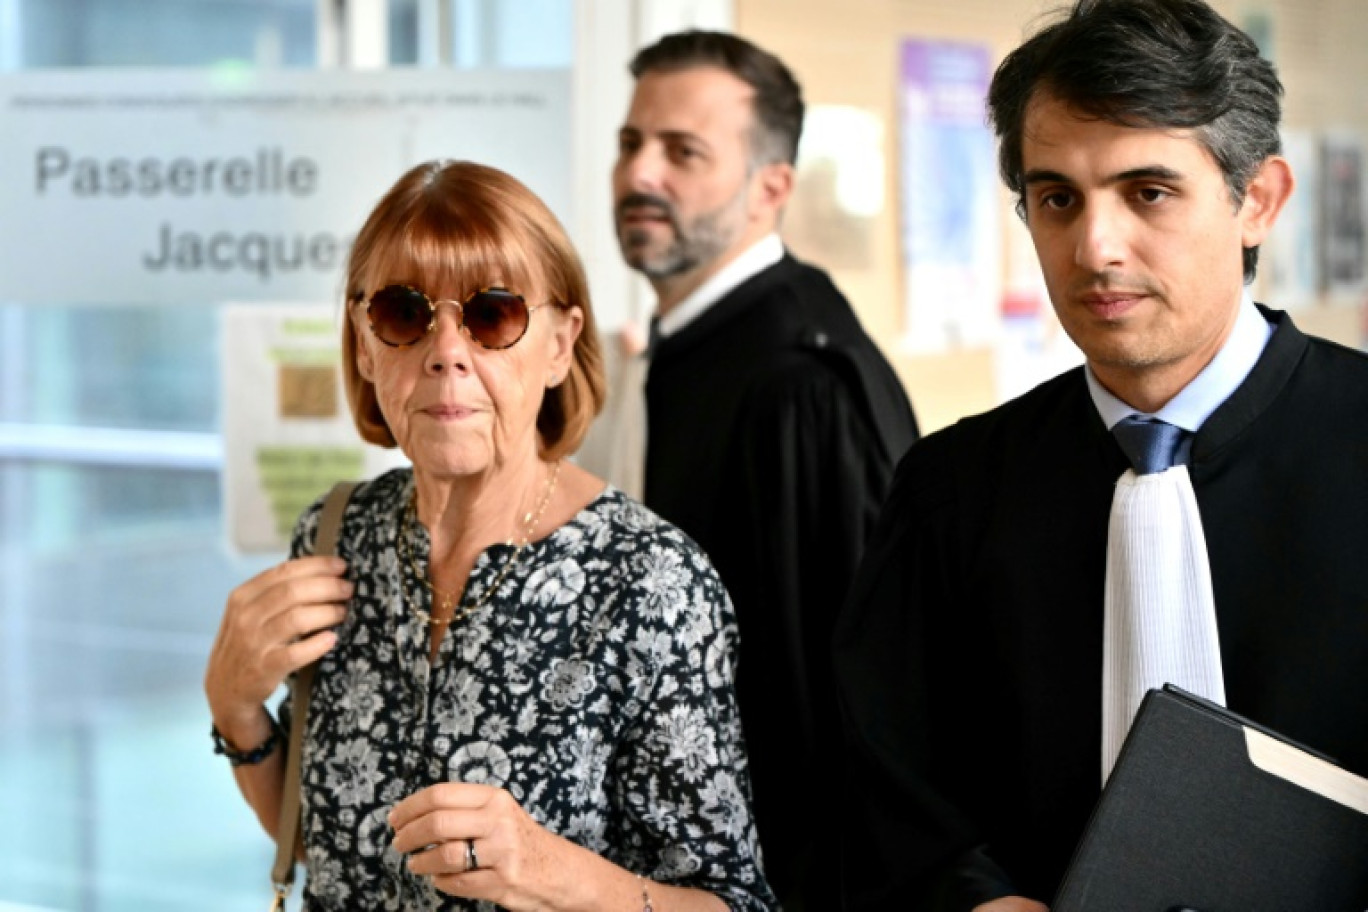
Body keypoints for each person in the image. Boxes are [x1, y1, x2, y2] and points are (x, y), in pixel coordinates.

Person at [834, 0, 1368, 909]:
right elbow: (885, 780)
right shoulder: (951, 489)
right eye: (1056, 198)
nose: (1094, 247)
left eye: (1148, 192)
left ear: (1260, 201)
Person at [205, 160, 776, 912]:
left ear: (560, 345)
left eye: (493, 314)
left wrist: (552, 872)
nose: (447, 351)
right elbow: (322, 844)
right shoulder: (335, 535)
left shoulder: (651, 582)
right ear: (366, 343)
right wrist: (233, 705)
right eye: (405, 314)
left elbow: (732, 904)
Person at [612, 29, 921, 910]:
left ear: (771, 188)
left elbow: (846, 711)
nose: (640, 175)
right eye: (632, 143)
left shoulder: (797, 382)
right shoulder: (692, 348)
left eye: (684, 152)